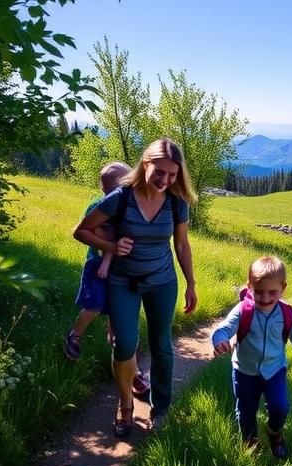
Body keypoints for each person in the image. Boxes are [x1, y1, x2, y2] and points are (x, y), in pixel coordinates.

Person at [73, 138, 198, 436]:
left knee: (162, 346)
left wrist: (191, 284)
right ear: (145, 164)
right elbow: (81, 231)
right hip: (123, 282)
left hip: (162, 282)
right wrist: (111, 246)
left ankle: (162, 407)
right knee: (125, 344)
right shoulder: (121, 198)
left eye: (172, 175)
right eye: (160, 172)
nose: (165, 180)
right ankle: (126, 403)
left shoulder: (176, 201)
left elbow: (181, 244)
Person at [211, 256, 292, 458]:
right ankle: (250, 441)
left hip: (275, 370)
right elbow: (222, 329)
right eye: (258, 292)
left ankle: (275, 432)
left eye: (272, 292)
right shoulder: (243, 311)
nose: (265, 298)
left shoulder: (287, 314)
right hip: (244, 371)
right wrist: (220, 341)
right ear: (249, 287)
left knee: (280, 407)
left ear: (283, 288)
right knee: (246, 410)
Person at [65, 161, 150, 399]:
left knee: (122, 326)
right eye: (127, 180)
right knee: (94, 305)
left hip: (121, 270)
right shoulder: (101, 206)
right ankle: (74, 335)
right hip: (98, 267)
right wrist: (106, 255)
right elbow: (87, 232)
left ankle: (133, 373)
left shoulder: (130, 205)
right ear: (113, 188)